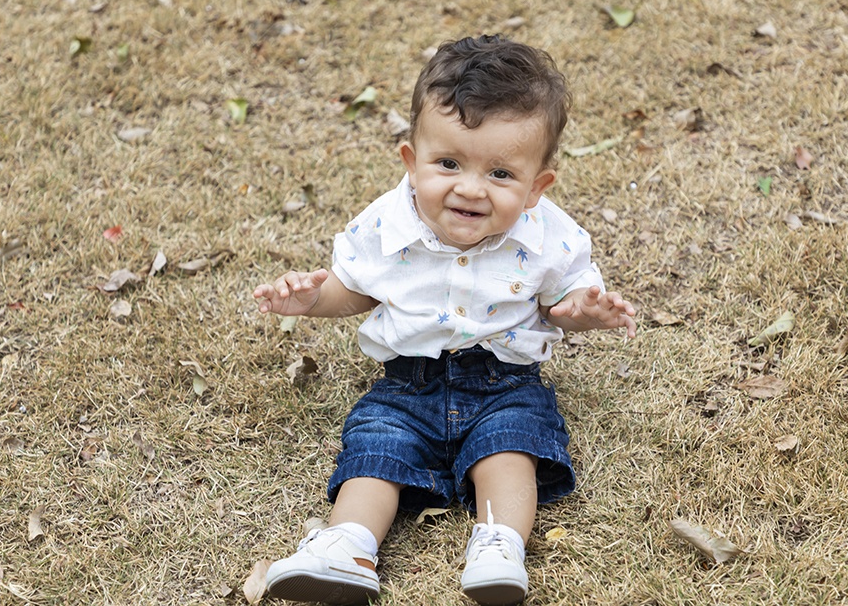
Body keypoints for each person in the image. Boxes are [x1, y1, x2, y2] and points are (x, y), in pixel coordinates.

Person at [252, 35, 637, 605]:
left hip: (504, 382)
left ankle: (500, 544)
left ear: (536, 188)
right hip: (405, 384)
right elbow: (355, 291)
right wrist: (310, 300)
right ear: (412, 160)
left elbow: (561, 304)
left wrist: (580, 312)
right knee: (375, 452)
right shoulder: (385, 224)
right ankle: (348, 546)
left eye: (501, 174)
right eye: (449, 163)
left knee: (510, 448)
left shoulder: (548, 235)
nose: (470, 188)